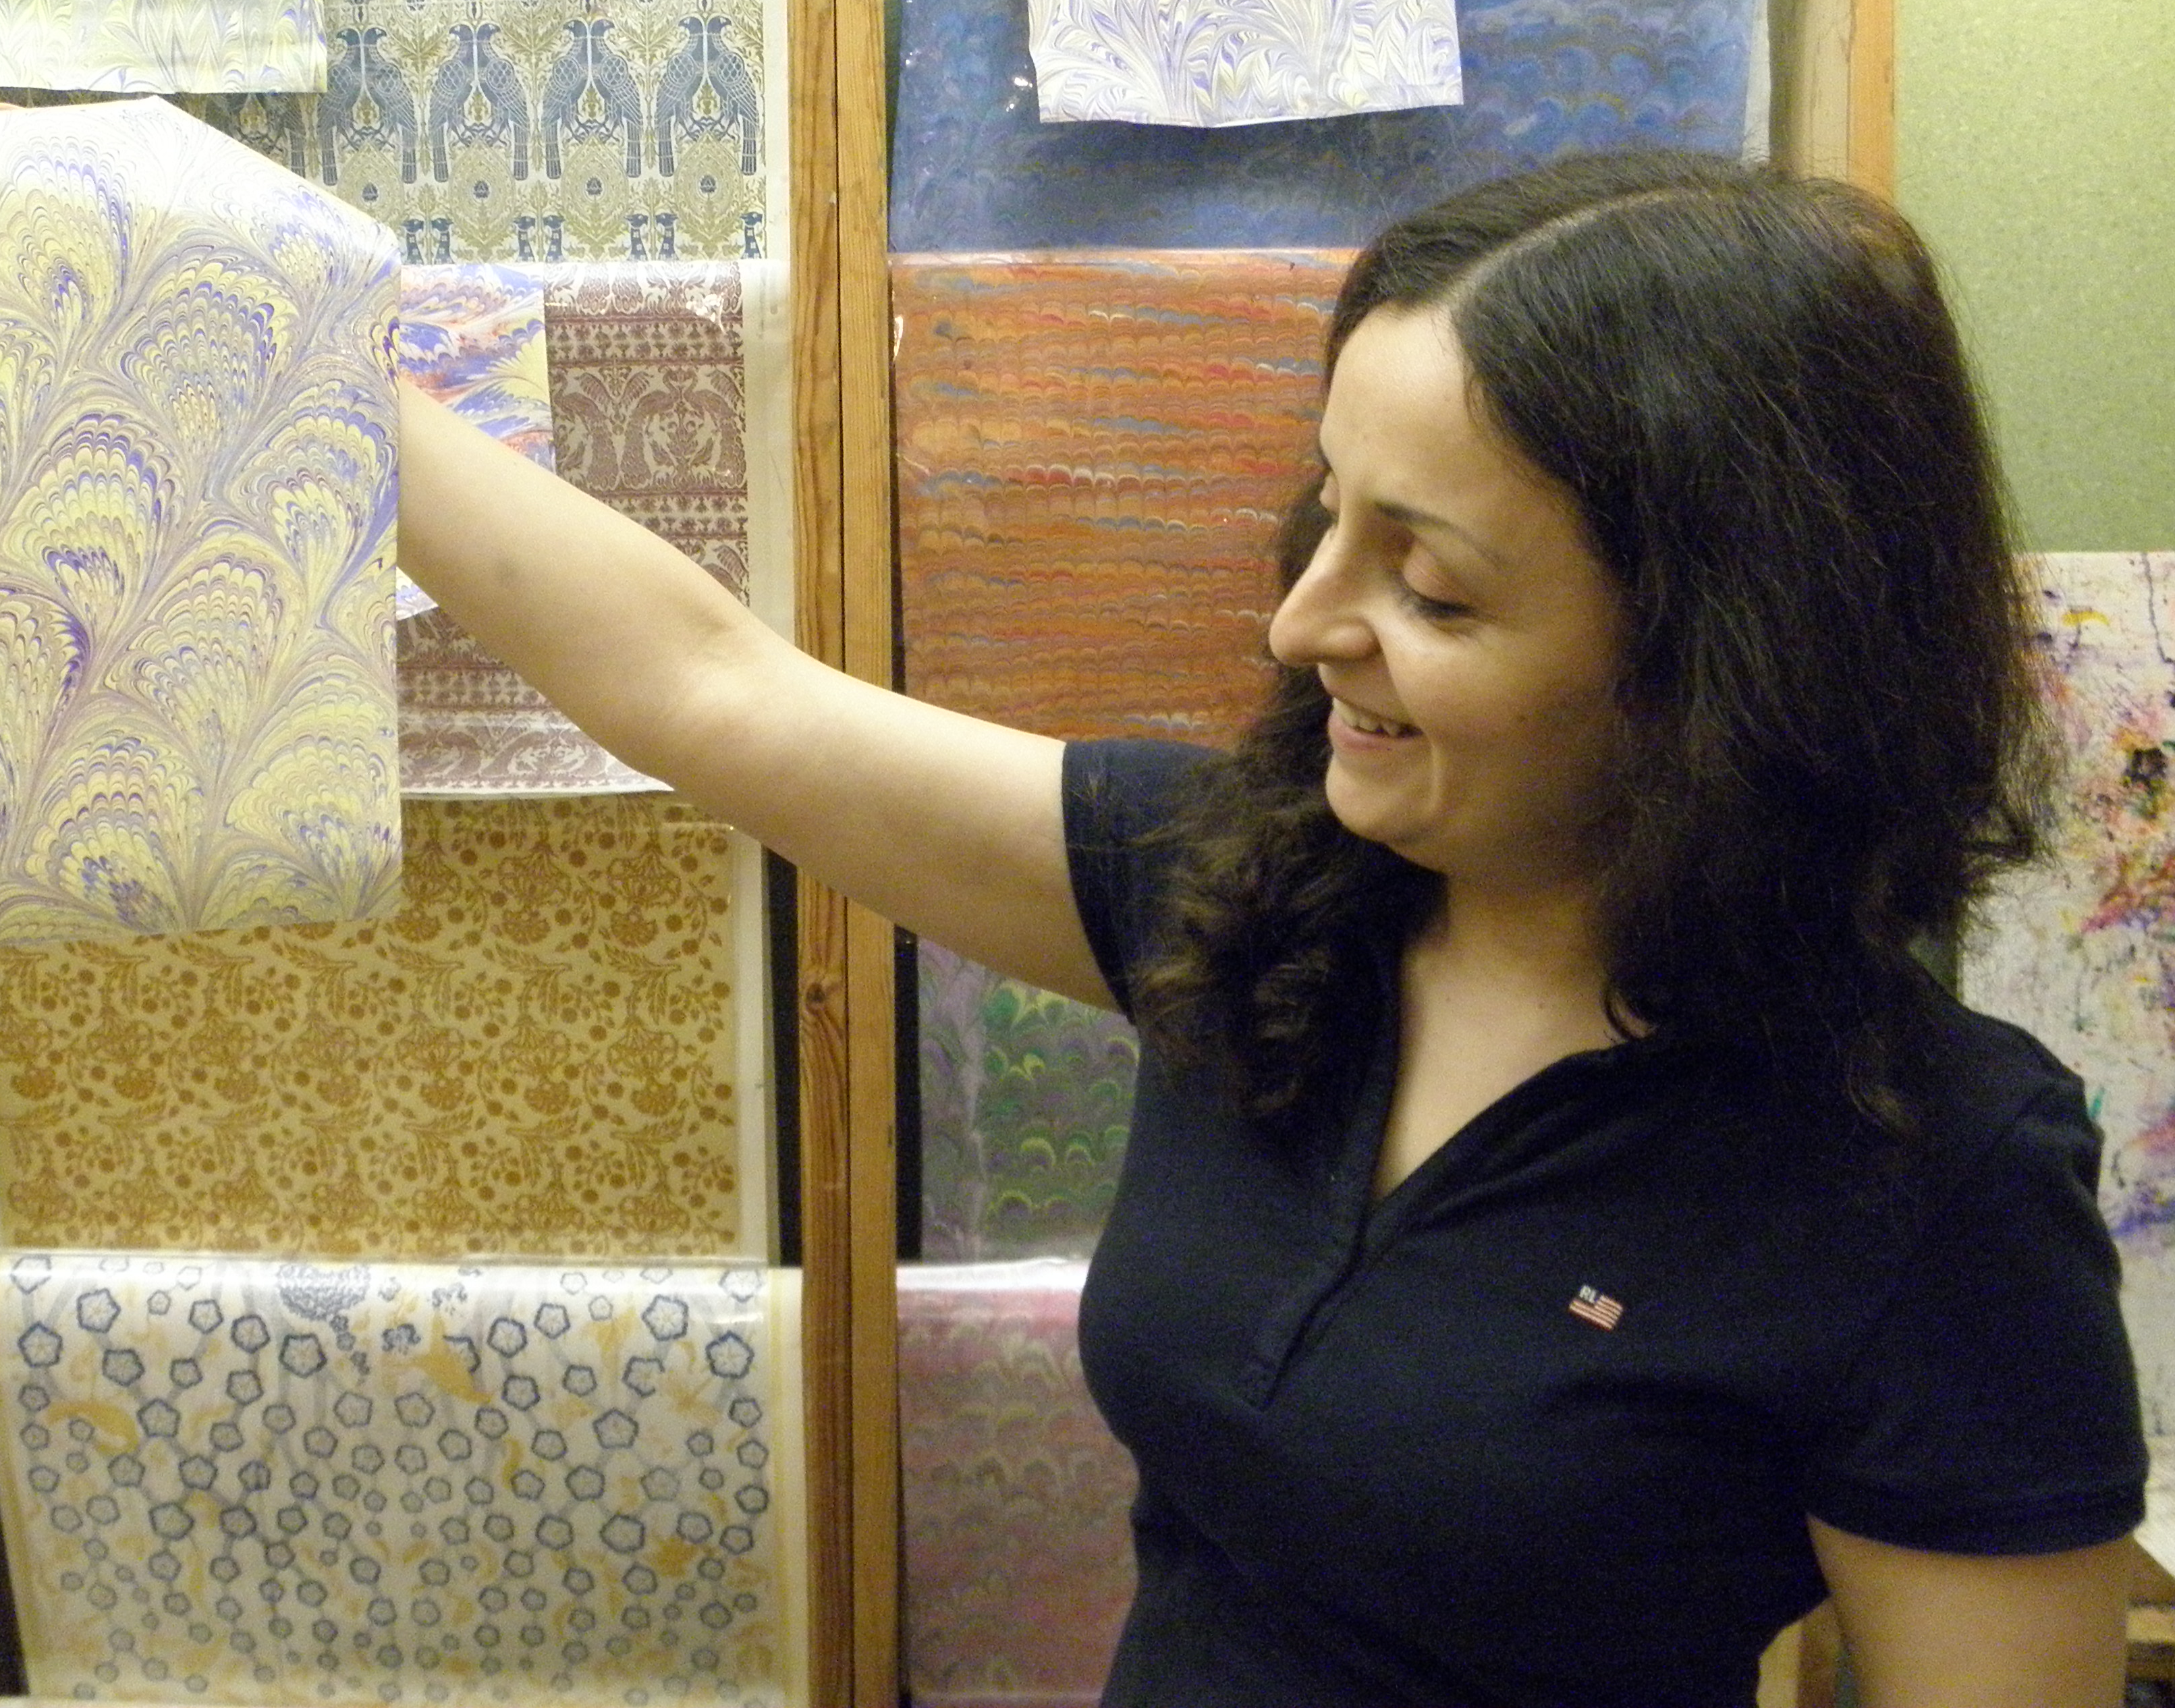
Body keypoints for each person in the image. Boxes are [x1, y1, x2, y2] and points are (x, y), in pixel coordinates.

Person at [394, 150, 2146, 1707]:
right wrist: (302, 335)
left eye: (1431, 584)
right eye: (1326, 511)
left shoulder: (1929, 1178)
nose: (1304, 622)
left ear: (1726, 665)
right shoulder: (1247, 894)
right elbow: (707, 688)